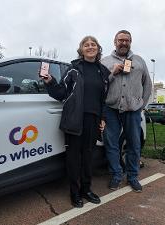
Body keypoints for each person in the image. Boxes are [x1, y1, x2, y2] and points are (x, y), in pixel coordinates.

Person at [41, 36, 110, 208]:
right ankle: (74, 192)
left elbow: (104, 98)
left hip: (93, 120)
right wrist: (50, 81)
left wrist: (103, 118)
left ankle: (86, 189)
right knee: (73, 158)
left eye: (93, 44)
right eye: (86, 45)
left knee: (88, 157)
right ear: (81, 50)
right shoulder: (73, 69)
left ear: (98, 48)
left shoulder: (103, 71)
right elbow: (61, 92)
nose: (90, 47)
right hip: (74, 118)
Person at [101, 30, 152, 192]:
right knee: (111, 143)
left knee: (134, 144)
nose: (123, 43)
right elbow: (100, 84)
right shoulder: (105, 62)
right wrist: (112, 73)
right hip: (111, 108)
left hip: (132, 109)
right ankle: (116, 174)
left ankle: (132, 176)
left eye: (127, 40)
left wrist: (141, 104)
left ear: (130, 42)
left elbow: (147, 84)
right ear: (114, 41)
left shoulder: (139, 61)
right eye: (120, 40)